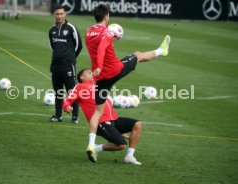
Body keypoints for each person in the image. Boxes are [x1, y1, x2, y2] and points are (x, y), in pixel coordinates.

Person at [85, 4, 170, 160]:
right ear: (107, 16)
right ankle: (161, 51)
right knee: (137, 55)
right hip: (114, 70)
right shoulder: (107, 32)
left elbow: (99, 47)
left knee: (98, 111)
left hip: (101, 79)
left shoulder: (89, 32)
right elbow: (103, 46)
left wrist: (98, 68)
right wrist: (100, 65)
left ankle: (91, 145)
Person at [62, 69, 143, 165]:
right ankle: (96, 148)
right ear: (81, 77)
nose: (91, 73)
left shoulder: (99, 85)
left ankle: (129, 156)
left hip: (114, 119)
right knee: (121, 145)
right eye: (88, 72)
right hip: (101, 122)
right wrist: (66, 107)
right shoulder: (80, 87)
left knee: (137, 124)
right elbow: (67, 100)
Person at [48, 4, 82, 124]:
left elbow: (78, 45)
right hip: (55, 66)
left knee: (72, 92)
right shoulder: (52, 30)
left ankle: (75, 117)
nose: (59, 16)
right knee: (58, 92)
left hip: (68, 66)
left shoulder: (71, 28)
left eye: (61, 13)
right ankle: (58, 116)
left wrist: (71, 59)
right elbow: (53, 47)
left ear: (65, 14)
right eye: (57, 14)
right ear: (54, 15)